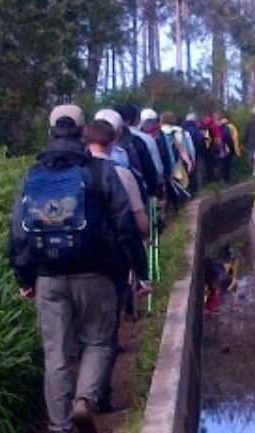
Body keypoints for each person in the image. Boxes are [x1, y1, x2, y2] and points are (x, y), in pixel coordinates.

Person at [9, 104, 136, 433]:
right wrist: (136, 269)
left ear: (51, 132)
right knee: (97, 342)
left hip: (48, 277)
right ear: (82, 132)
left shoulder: (33, 175)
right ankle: (84, 401)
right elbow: (124, 223)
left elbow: (19, 232)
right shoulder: (100, 171)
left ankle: (60, 431)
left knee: (56, 353)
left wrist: (24, 275)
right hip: (96, 274)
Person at [83, 117, 150, 413]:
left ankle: (68, 407)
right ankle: (97, 396)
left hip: (68, 263)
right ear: (113, 142)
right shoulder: (121, 174)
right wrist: (143, 271)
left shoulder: (70, 173)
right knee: (106, 333)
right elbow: (137, 226)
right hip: (111, 265)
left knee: (77, 333)